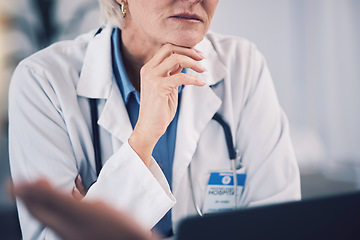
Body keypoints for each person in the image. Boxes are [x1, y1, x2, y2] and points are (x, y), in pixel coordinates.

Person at [9, 0, 301, 239]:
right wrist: (143, 139)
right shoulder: (43, 81)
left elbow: (280, 226)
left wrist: (94, 215)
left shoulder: (243, 65)